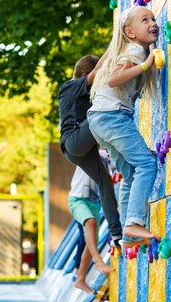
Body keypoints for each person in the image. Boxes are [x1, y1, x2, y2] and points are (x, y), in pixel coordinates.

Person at [88, 6, 160, 247]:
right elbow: (113, 79)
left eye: (153, 18)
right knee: (147, 164)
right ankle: (133, 222)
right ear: (130, 33)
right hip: (112, 118)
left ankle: (129, 234)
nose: (153, 23)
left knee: (130, 174)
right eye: (145, 20)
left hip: (100, 120)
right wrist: (144, 65)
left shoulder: (134, 50)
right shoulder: (135, 52)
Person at [58, 53, 123, 247]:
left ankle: (116, 234)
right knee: (100, 112)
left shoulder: (88, 95)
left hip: (80, 148)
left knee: (105, 183)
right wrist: (114, 49)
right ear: (84, 74)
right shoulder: (69, 86)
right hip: (73, 140)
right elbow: (96, 73)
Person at [68, 166, 113, 294]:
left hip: (95, 203)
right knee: (90, 223)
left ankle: (80, 279)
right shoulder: (90, 150)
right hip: (77, 200)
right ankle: (98, 261)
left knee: (91, 241)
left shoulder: (110, 157)